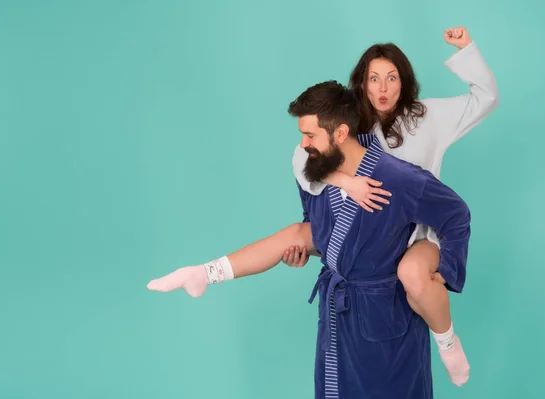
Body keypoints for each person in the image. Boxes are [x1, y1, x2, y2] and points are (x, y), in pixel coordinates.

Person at [147, 26, 498, 386]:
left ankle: (448, 342)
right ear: (360, 85)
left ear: (404, 81)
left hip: (416, 237)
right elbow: (306, 163)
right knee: (295, 235)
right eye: (373, 79)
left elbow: (482, 107)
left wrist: (466, 49)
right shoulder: (350, 127)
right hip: (362, 235)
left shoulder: (423, 127)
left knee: (411, 274)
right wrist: (346, 183)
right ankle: (205, 273)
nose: (382, 88)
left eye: (391, 78)